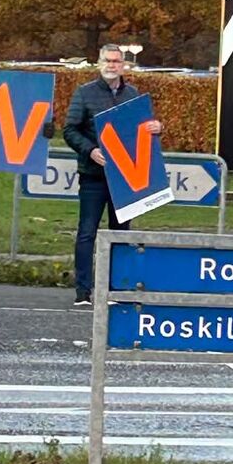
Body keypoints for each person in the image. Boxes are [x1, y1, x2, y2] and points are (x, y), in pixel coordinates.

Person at [63, 44, 162, 307]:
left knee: (121, 234)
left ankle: (117, 289)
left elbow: (141, 129)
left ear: (123, 65)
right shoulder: (84, 93)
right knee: (87, 233)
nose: (111, 65)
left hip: (125, 177)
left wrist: (156, 127)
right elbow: (70, 130)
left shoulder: (133, 94)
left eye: (116, 61)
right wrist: (90, 150)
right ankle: (83, 292)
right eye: (107, 60)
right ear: (99, 63)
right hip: (93, 175)